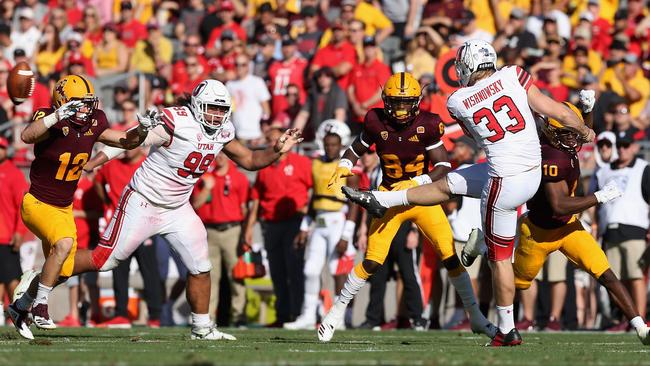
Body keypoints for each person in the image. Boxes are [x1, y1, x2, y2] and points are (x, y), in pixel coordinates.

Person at [341, 40, 594, 346]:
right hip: (531, 171)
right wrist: (585, 131)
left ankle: (506, 329)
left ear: (470, 65)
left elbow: (478, 137)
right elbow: (556, 112)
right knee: (450, 184)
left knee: (499, 260)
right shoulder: (514, 74)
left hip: (503, 179)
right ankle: (384, 199)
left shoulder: (458, 100)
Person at [11, 79, 303, 341]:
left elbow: (250, 160)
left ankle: (202, 328)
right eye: (211, 108)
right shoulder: (176, 120)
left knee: (201, 265)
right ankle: (39, 280)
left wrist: (277, 149)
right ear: (198, 105)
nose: (216, 115)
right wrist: (95, 161)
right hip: (143, 200)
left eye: (221, 109)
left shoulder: (224, 129)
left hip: (178, 207)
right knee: (104, 260)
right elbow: (128, 141)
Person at [318, 72, 495, 343]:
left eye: (406, 103)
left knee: (449, 256)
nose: (401, 110)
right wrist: (344, 164)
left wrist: (416, 182)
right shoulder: (375, 120)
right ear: (386, 101)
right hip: (389, 197)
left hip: (421, 196)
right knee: (371, 261)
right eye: (396, 103)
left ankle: (475, 316)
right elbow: (356, 148)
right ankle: (335, 313)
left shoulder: (428, 123)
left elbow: (443, 166)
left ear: (416, 102)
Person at [8, 74, 156, 340]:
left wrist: (142, 130)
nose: (87, 109)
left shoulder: (94, 122)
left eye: (89, 103)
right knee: (63, 245)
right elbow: (27, 135)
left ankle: (21, 306)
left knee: (62, 271)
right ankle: (41, 306)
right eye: (80, 103)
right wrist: (56, 116)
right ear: (63, 102)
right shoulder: (49, 118)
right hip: (38, 203)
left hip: (63, 208)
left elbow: (125, 141)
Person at [512, 99, 650, 344]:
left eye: (573, 132)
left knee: (605, 273)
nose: (573, 138)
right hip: (540, 232)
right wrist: (598, 197)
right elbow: (558, 204)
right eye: (566, 133)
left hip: (569, 228)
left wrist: (586, 113)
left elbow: (584, 134)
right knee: (519, 283)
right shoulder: (551, 156)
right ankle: (485, 247)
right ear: (551, 132)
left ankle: (641, 328)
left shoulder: (564, 143)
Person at [284, 121, 359, 330]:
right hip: (319, 220)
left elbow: (355, 204)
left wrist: (347, 235)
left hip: (339, 220)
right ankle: (308, 315)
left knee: (338, 271)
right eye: (327, 145)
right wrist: (304, 228)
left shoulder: (347, 166)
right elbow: (313, 199)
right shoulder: (315, 164)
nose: (330, 148)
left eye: (334, 145)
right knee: (310, 270)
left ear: (340, 145)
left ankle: (338, 318)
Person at [245, 127, 312, 327]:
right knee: (277, 271)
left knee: (295, 269)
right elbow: (256, 199)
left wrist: (307, 221)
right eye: (271, 140)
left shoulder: (301, 163)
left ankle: (298, 314)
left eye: (278, 139)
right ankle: (282, 315)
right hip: (271, 224)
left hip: (294, 222)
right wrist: (249, 228)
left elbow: (313, 190)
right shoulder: (264, 166)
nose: (275, 142)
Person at [93, 147, 162, 329]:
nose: (128, 150)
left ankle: (155, 316)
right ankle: (121, 314)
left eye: (133, 146)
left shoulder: (150, 164)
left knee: (149, 272)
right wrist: (107, 201)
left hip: (144, 226)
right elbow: (97, 181)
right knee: (119, 272)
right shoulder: (112, 165)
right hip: (121, 226)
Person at [593, 132, 650, 326]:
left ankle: (640, 319)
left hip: (635, 229)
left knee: (635, 277)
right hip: (610, 231)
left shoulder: (643, 169)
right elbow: (595, 206)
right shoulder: (603, 171)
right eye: (621, 145)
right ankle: (627, 320)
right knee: (615, 281)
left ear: (635, 147)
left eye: (627, 145)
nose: (623, 149)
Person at [191, 152, 250, 326]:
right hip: (209, 231)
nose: (221, 157)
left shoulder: (238, 178)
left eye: (224, 154)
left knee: (236, 276)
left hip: (232, 230)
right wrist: (207, 188)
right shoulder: (204, 177)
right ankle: (208, 318)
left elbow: (244, 208)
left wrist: (246, 232)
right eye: (218, 154)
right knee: (210, 277)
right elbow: (196, 204)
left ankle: (239, 316)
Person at [0, 136, 28, 325]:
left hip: (6, 236)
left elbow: (22, 206)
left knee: (12, 279)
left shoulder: (13, 173)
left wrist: (19, 231)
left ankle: (20, 316)